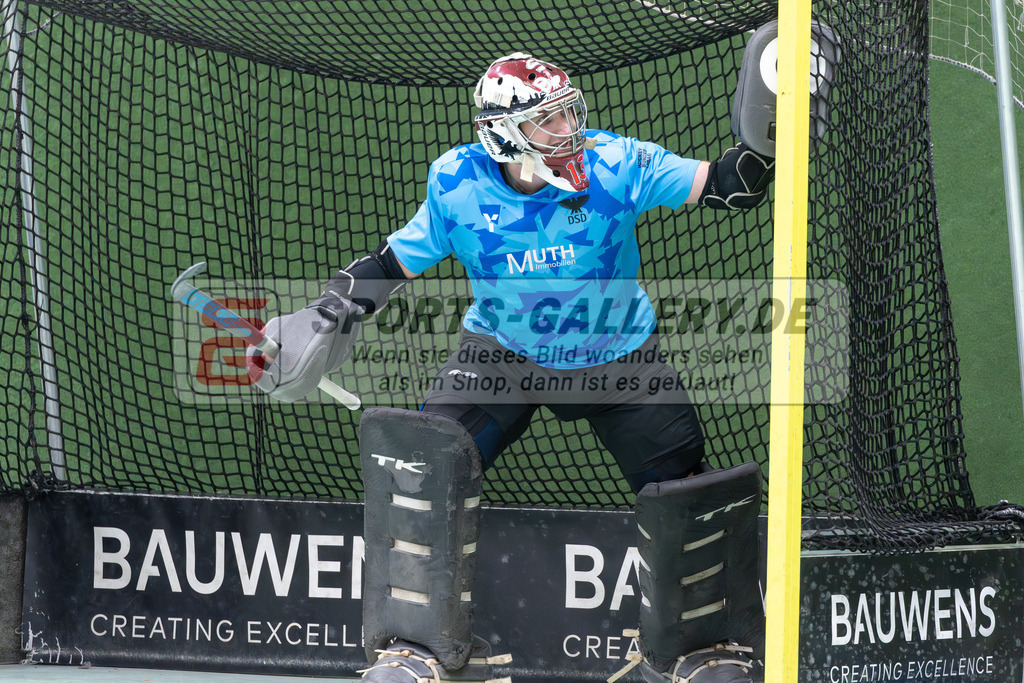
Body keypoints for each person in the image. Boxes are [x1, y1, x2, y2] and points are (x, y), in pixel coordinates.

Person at [248, 52, 774, 683]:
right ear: (504, 133)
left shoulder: (615, 163)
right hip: (502, 356)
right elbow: (391, 263)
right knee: (423, 470)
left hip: (619, 359)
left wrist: (767, 129)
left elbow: (731, 185)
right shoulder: (457, 184)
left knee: (688, 494)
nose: (567, 130)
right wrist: (324, 313)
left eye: (566, 113)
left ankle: (697, 653)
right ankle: (419, 654)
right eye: (546, 120)